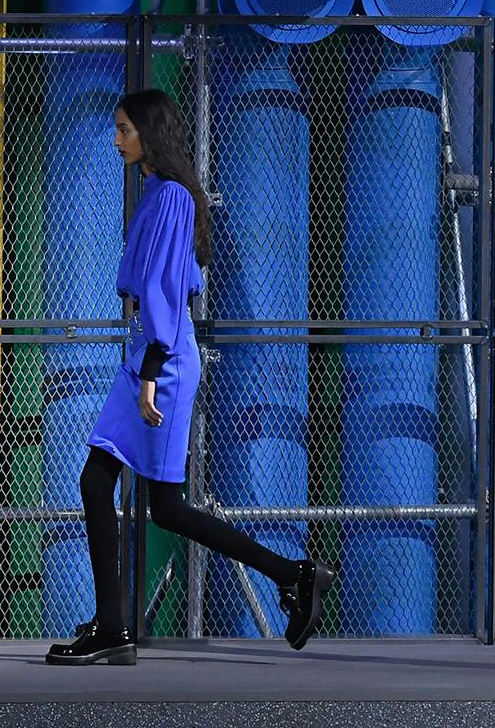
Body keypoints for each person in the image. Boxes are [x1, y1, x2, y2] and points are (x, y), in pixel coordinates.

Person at [45, 89, 335, 666]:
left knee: (102, 482)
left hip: (164, 360)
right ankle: (293, 575)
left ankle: (114, 628)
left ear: (149, 133)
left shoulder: (172, 197)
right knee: (159, 505)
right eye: (117, 128)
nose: (116, 140)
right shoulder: (159, 194)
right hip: (153, 355)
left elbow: (168, 290)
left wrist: (151, 369)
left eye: (125, 129)